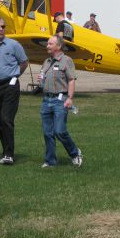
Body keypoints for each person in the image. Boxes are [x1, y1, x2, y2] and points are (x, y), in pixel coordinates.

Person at [0, 16, 28, 165]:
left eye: (3, 26)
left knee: (6, 119)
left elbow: (24, 62)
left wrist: (15, 76)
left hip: (10, 86)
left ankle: (9, 154)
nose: (1, 29)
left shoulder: (13, 45)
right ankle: (5, 152)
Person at [38, 35, 83, 168]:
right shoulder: (46, 61)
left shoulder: (67, 60)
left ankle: (75, 153)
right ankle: (50, 161)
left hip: (60, 100)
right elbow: (43, 78)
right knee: (47, 133)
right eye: (47, 44)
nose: (47, 46)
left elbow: (71, 79)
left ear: (59, 46)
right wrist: (41, 81)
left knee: (60, 131)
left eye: (50, 44)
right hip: (46, 100)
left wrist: (70, 98)